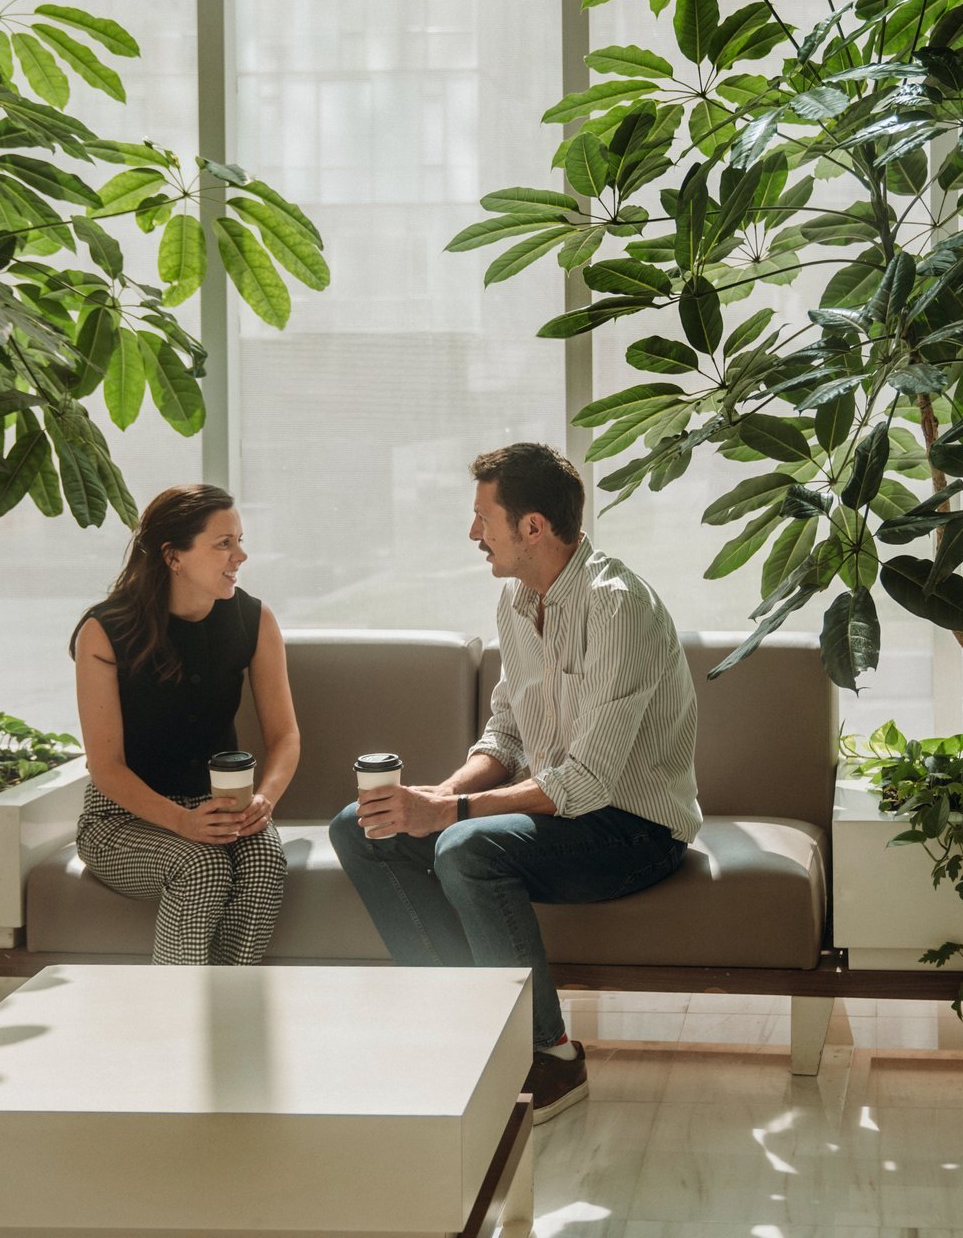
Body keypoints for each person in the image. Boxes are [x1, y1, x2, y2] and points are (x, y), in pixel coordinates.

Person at [329, 443, 700, 1123]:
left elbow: (586, 782)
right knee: (361, 827)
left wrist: (451, 815)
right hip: (559, 817)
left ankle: (549, 1056)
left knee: (465, 849)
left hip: (633, 828)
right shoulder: (516, 601)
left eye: (483, 518)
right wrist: (436, 799)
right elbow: (506, 736)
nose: (474, 534)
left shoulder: (618, 607)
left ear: (533, 526)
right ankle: (461, 1033)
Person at [71, 484, 298, 966]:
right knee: (202, 867)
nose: (241, 555)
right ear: (173, 556)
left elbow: (285, 737)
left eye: (239, 540)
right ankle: (173, 1015)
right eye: (223, 544)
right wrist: (181, 822)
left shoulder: (254, 620)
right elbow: (105, 767)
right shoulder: (105, 630)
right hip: (120, 819)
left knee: (264, 865)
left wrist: (265, 801)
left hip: (221, 808)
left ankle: (224, 1010)